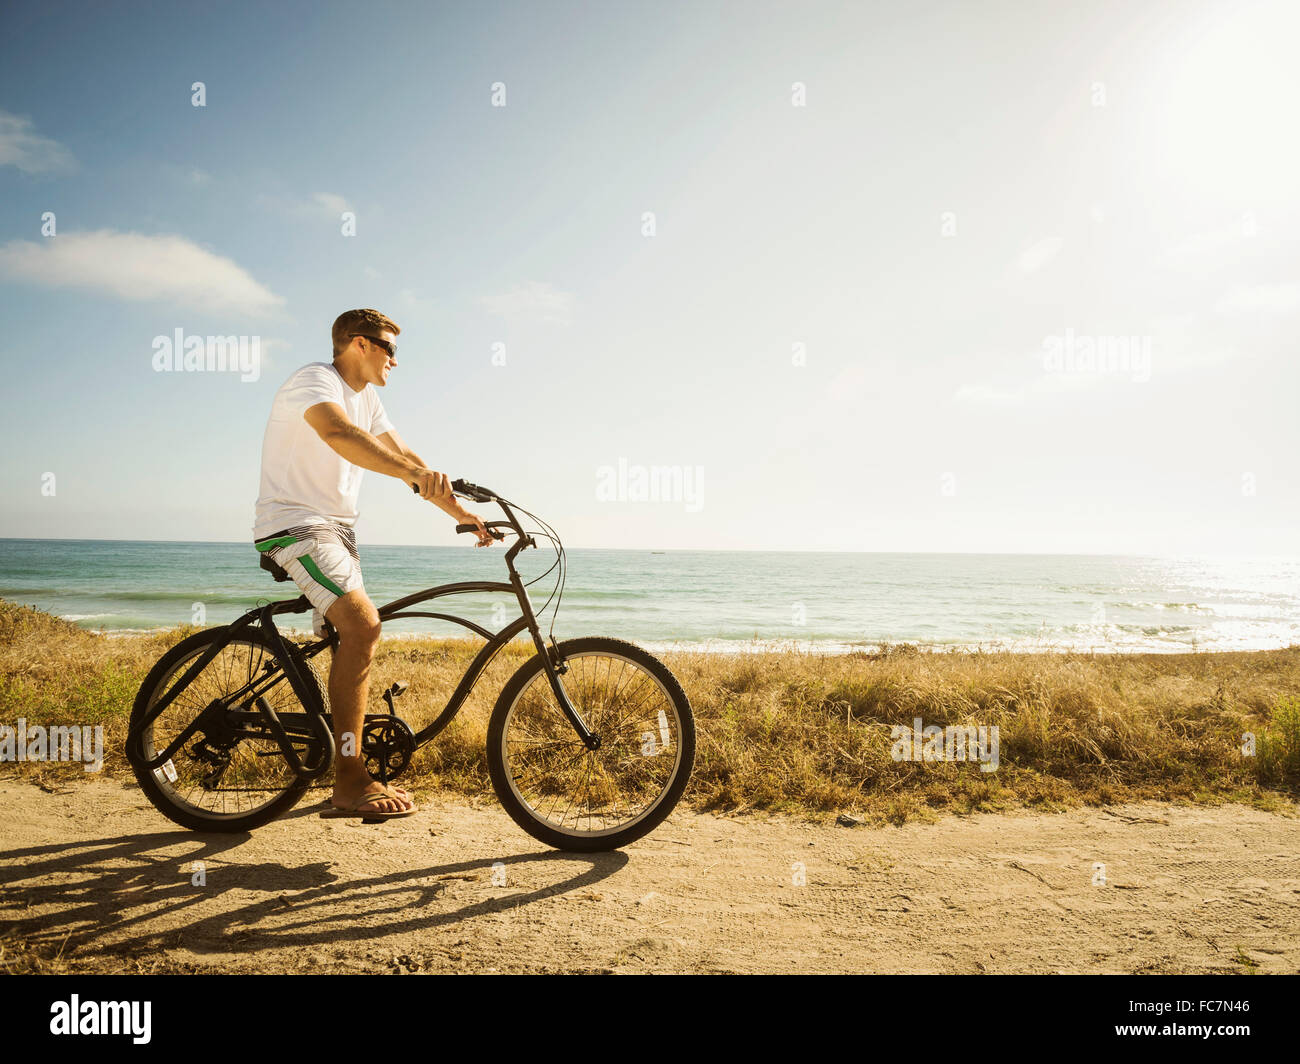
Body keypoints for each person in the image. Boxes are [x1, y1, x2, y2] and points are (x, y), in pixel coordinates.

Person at [252, 308, 495, 820]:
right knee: (363, 626)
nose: (396, 360)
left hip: (338, 532)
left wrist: (465, 514)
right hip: (296, 526)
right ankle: (347, 778)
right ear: (358, 344)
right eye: (390, 348)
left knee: (349, 638)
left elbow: (410, 461)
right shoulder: (315, 380)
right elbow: (339, 435)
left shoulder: (370, 400)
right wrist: (412, 473)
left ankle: (333, 749)